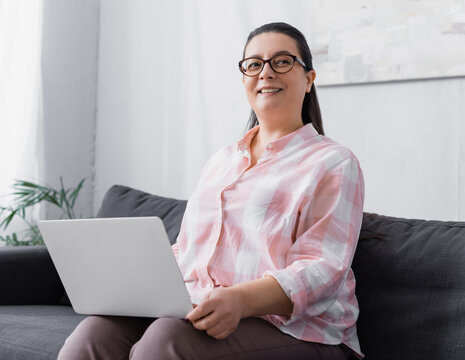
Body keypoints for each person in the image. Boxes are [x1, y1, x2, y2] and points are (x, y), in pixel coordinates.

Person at [58, 22, 365, 360]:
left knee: (166, 341)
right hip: (199, 304)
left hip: (302, 330)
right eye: (254, 64)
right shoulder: (222, 160)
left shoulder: (333, 162)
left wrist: (240, 299)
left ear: (308, 79)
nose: (266, 72)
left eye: (282, 61)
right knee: (93, 336)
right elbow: (189, 250)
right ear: (244, 77)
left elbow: (323, 268)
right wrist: (138, 284)